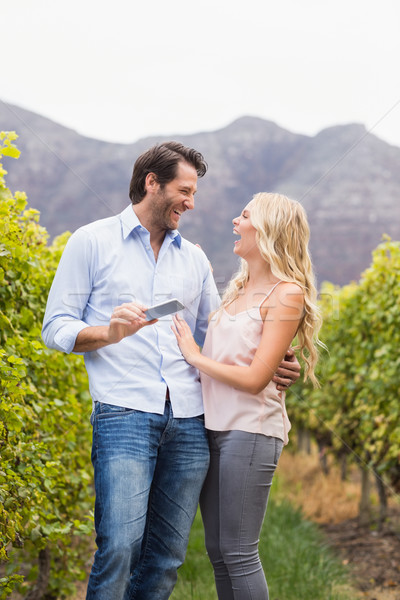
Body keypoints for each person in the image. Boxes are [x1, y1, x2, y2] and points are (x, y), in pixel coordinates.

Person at [42, 144, 301, 600]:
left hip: (189, 421)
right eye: (184, 190)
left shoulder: (194, 260)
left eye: (194, 192)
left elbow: (216, 333)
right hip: (124, 414)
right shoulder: (92, 241)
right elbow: (55, 327)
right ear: (151, 183)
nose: (192, 202)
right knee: (120, 547)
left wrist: (277, 359)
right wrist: (109, 331)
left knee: (166, 559)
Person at [172, 192, 322, 600]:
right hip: (214, 429)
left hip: (250, 431)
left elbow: (257, 379)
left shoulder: (287, 294)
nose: (235, 222)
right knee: (218, 552)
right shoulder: (236, 291)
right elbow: (235, 352)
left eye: (244, 216)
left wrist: (195, 358)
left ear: (268, 228)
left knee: (239, 553)